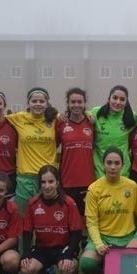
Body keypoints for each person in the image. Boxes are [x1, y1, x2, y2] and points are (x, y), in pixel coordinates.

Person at [80, 147, 137, 274]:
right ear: (103, 165)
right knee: (86, 264)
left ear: (123, 165)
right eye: (109, 163)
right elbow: (92, 222)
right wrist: (99, 243)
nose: (113, 167)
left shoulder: (132, 186)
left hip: (126, 238)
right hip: (103, 238)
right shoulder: (94, 189)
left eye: (116, 163)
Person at [20, 165, 83, 274]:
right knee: (26, 268)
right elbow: (27, 232)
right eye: (43, 182)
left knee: (68, 268)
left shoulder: (68, 203)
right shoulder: (33, 204)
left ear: (57, 183)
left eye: (51, 182)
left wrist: (69, 254)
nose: (47, 186)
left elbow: (77, 232)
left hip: (63, 248)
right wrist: (26, 253)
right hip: (42, 249)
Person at [5, 87, 58, 216]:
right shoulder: (19, 118)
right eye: (34, 101)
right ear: (28, 103)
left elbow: (74, 115)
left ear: (47, 103)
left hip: (48, 177)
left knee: (47, 217)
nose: (38, 104)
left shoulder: (55, 119)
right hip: (25, 178)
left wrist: (89, 115)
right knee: (23, 218)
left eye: (41, 101)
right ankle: (23, 237)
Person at [56, 88, 95, 217]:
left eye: (80, 102)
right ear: (68, 103)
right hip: (67, 181)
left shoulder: (92, 123)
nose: (76, 105)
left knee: (86, 218)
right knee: (69, 218)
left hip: (88, 180)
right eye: (73, 102)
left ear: (85, 103)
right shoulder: (60, 123)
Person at [89, 85, 137, 179]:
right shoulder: (96, 112)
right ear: (109, 98)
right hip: (100, 170)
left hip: (122, 171)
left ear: (126, 102)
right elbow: (81, 114)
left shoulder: (131, 117)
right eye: (115, 98)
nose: (118, 102)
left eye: (122, 99)